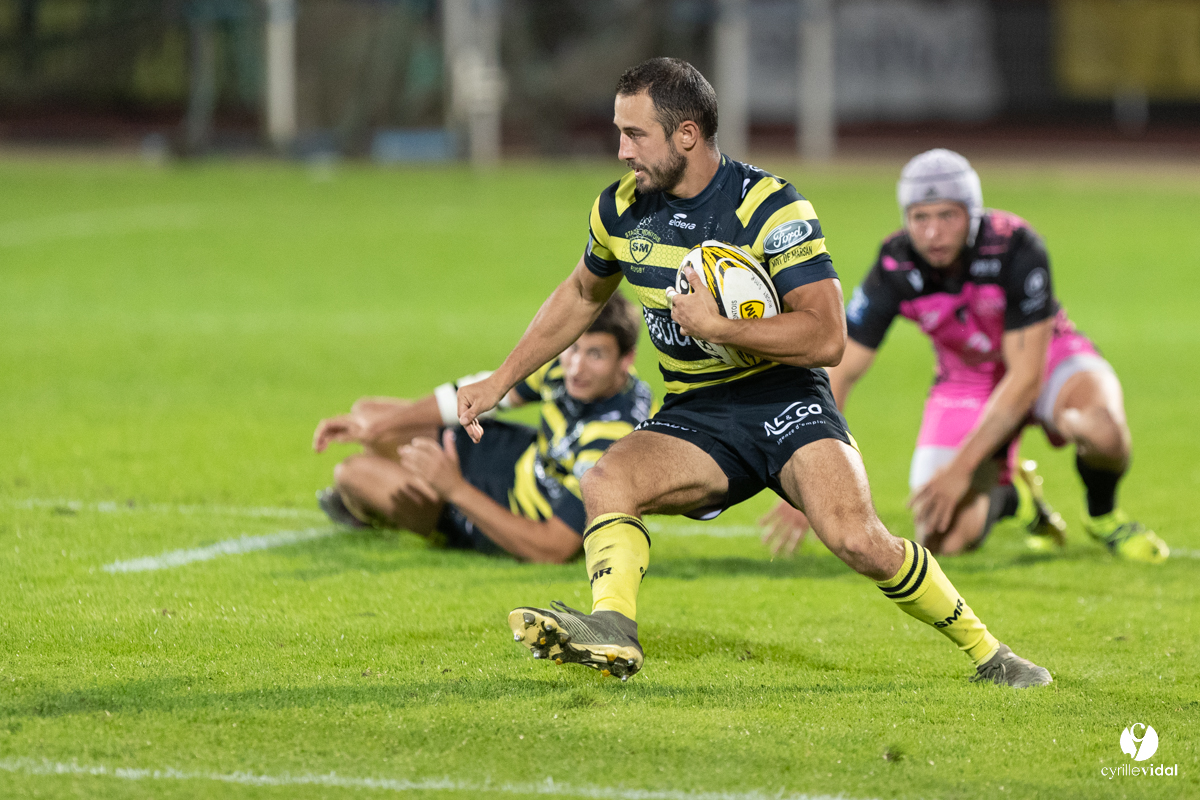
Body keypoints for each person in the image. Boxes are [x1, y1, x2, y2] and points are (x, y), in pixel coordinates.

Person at [456, 59, 1050, 687]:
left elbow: (826, 336)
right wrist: (500, 380)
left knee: (857, 540)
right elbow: (582, 293)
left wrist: (721, 328)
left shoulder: (770, 206)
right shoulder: (621, 210)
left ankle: (992, 654)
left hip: (787, 401)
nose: (622, 150)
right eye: (619, 132)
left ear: (687, 134)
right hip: (697, 415)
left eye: (636, 134)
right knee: (607, 479)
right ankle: (614, 631)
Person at [761, 149, 1168, 564]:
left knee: (1101, 430)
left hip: (1046, 362)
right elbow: (840, 371)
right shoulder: (894, 265)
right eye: (921, 217)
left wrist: (960, 471)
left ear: (972, 214)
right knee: (943, 536)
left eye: (947, 216)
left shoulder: (1014, 245)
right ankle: (1014, 498)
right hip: (966, 379)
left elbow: (1026, 378)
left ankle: (1104, 518)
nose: (933, 232)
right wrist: (815, 477)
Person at [311, 293, 653, 564]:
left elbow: (554, 548)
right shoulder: (563, 369)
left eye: (595, 355)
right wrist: (377, 428)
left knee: (352, 473)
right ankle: (393, 475)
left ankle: (378, 510)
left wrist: (453, 488)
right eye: (574, 348)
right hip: (514, 459)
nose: (576, 367)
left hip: (504, 511)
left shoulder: (612, 441)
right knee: (368, 414)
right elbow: (483, 392)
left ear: (626, 359)